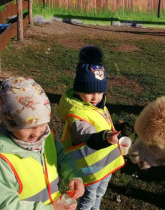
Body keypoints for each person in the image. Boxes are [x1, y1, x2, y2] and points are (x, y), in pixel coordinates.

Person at [0, 77, 85, 210]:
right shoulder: (0, 160)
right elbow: (5, 205)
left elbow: (61, 157)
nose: (36, 134)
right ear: (10, 123)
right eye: (27, 127)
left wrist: (74, 175)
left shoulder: (46, 137)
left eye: (41, 125)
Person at [58, 45, 125, 210]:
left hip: (105, 165)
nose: (95, 97)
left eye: (100, 92)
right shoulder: (77, 114)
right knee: (88, 199)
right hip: (90, 169)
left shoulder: (98, 104)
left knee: (100, 193)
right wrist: (105, 137)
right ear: (79, 90)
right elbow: (87, 135)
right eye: (90, 92)